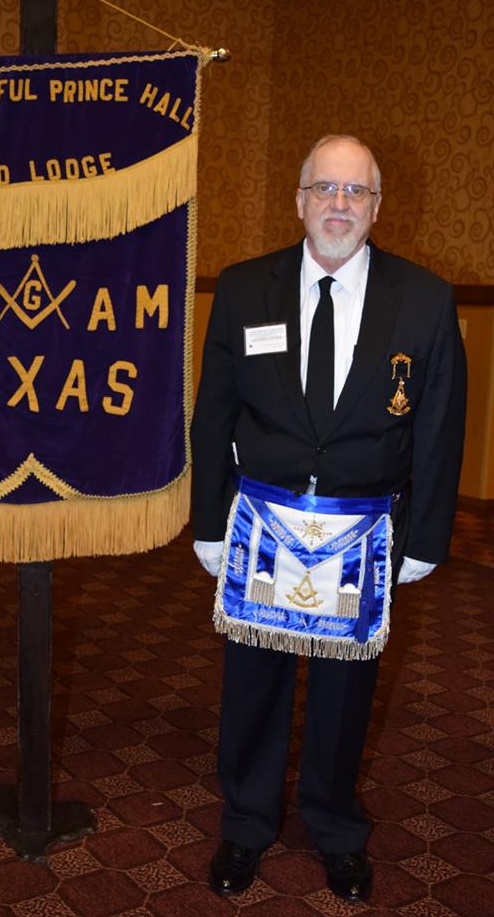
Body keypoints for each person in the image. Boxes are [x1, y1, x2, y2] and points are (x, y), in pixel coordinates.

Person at [190, 135, 466, 902]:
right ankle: (245, 826)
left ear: (377, 206)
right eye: (325, 189)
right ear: (299, 199)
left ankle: (336, 828)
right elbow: (214, 412)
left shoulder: (425, 298)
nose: (339, 205)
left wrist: (429, 538)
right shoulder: (245, 290)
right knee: (253, 686)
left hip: (367, 534)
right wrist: (208, 522)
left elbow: (441, 425)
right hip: (262, 529)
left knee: (347, 699)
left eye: (356, 192)